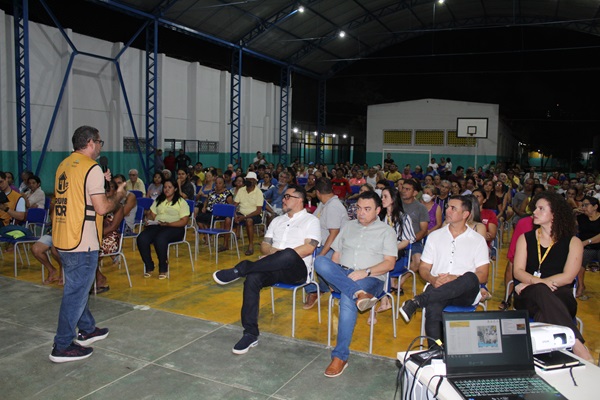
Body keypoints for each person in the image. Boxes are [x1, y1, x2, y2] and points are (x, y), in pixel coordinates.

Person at [212, 186, 321, 355]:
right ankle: (250, 333)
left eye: (287, 197)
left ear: (299, 200)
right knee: (253, 279)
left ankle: (241, 269)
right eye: (284, 197)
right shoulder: (277, 221)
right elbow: (264, 245)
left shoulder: (311, 221)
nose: (283, 200)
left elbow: (308, 248)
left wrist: (284, 254)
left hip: (297, 271)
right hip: (272, 266)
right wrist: (274, 254)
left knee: (290, 254)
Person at [50, 125, 127, 363]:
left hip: (64, 236)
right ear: (91, 143)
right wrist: (119, 195)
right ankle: (62, 345)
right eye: (100, 142)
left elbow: (79, 197)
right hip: (82, 240)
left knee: (77, 288)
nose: (101, 146)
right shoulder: (91, 168)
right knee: (76, 293)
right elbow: (103, 208)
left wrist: (100, 185)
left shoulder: (65, 165)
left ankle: (87, 329)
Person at [314, 191, 397, 377]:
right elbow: (335, 256)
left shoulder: (387, 231)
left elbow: (389, 264)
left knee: (346, 297)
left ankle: (340, 356)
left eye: (367, 209)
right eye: (358, 208)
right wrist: (333, 279)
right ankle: (358, 294)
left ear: (378, 210)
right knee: (319, 261)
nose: (361, 213)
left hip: (372, 278)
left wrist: (365, 272)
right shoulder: (348, 226)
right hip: (344, 273)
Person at [399, 195, 490, 347]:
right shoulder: (435, 236)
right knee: (433, 308)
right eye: (448, 206)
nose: (447, 210)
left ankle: (418, 301)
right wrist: (433, 279)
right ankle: (437, 350)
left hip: (464, 292)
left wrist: (454, 278)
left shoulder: (477, 240)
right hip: (437, 287)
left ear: (465, 214)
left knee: (469, 277)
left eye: (453, 208)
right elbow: (424, 268)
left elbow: (483, 275)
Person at [512, 192, 593, 361]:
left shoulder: (573, 242)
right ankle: (578, 346)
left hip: (560, 296)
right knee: (541, 292)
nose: (534, 212)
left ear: (555, 214)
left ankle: (547, 359)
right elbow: (518, 271)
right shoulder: (525, 239)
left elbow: (568, 277)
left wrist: (533, 284)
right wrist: (538, 285)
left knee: (545, 308)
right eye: (535, 208)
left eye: (541, 208)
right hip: (528, 297)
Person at [303, 178, 349, 309]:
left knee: (315, 261)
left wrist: (321, 255)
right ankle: (317, 289)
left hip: (334, 247)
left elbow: (333, 234)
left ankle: (316, 290)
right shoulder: (324, 204)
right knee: (301, 256)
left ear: (317, 192)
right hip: (322, 243)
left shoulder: (333, 206)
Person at [137, 179, 190, 279]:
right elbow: (152, 215)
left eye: (169, 187)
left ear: (175, 189)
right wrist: (148, 219)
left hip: (175, 228)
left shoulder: (181, 202)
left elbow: (184, 221)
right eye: (165, 187)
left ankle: (163, 267)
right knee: (142, 238)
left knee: (160, 239)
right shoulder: (158, 200)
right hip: (158, 225)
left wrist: (169, 224)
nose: (166, 189)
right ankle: (149, 265)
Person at [93, 179, 126, 294]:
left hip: (111, 236)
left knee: (92, 252)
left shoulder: (118, 207)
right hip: (98, 234)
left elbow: (113, 227)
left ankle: (99, 278)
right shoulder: (99, 204)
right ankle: (97, 277)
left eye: (110, 188)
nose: (107, 191)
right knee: (85, 250)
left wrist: (96, 235)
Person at [196, 176, 234, 250]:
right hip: (209, 211)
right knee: (198, 218)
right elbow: (207, 200)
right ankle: (207, 237)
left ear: (224, 184)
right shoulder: (212, 191)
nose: (217, 184)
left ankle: (224, 243)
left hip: (221, 214)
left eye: (220, 183)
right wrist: (204, 206)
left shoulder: (227, 193)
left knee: (210, 219)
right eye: (216, 183)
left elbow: (231, 206)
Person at [575, 196, 600, 299]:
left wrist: (586, 242)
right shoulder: (581, 218)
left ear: (595, 207)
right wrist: (573, 213)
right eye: (582, 205)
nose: (584, 207)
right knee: (579, 261)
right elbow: (569, 226)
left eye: (586, 205)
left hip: (597, 246)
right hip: (587, 249)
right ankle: (581, 286)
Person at [233, 171, 264, 256]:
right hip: (241, 213)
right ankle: (225, 244)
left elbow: (258, 211)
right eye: (247, 179)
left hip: (254, 215)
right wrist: (235, 215)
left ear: (254, 181)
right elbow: (234, 205)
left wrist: (245, 217)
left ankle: (250, 246)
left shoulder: (258, 192)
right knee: (229, 218)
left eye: (251, 179)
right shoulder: (241, 190)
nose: (248, 181)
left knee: (249, 221)